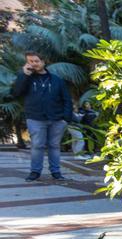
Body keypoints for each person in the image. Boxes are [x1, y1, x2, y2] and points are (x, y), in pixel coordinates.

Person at [11, 51, 73, 181]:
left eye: (36, 61)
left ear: (43, 62)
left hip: (57, 119)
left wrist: (66, 118)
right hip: (35, 118)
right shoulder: (26, 78)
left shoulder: (57, 80)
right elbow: (16, 93)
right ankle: (35, 172)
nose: (33, 64)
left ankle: (56, 172)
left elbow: (67, 99)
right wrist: (25, 75)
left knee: (54, 146)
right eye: (30, 61)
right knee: (37, 145)